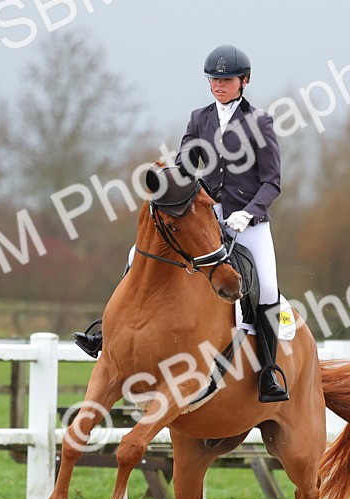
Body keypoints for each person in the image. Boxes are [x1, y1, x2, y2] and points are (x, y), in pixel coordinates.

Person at [73, 44, 289, 403]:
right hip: (204, 219)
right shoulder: (199, 118)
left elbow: (272, 182)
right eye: (214, 79)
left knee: (267, 290)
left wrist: (248, 212)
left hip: (249, 223)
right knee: (135, 255)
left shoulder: (260, 122)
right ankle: (104, 334)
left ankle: (268, 372)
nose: (218, 85)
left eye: (226, 79)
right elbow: (185, 167)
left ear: (244, 82)